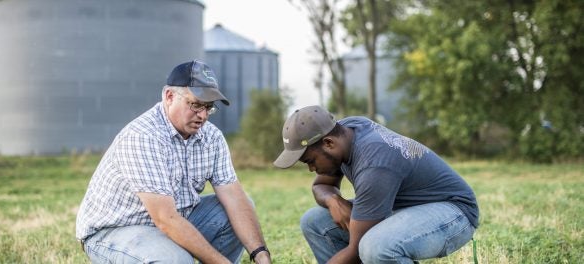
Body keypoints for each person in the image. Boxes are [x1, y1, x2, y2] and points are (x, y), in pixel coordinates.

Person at [76, 60, 271, 264]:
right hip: (115, 230)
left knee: (240, 205)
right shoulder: (143, 136)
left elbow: (234, 198)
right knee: (175, 260)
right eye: (195, 104)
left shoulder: (212, 137)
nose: (203, 115)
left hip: (177, 219)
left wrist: (260, 254)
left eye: (208, 107)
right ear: (169, 97)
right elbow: (165, 219)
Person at [273, 105, 479, 264]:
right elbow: (322, 186)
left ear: (328, 143)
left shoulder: (375, 162)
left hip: (453, 213)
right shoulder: (347, 131)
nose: (311, 169)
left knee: (376, 247)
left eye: (310, 161)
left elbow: (355, 251)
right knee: (314, 221)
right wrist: (333, 200)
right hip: (404, 209)